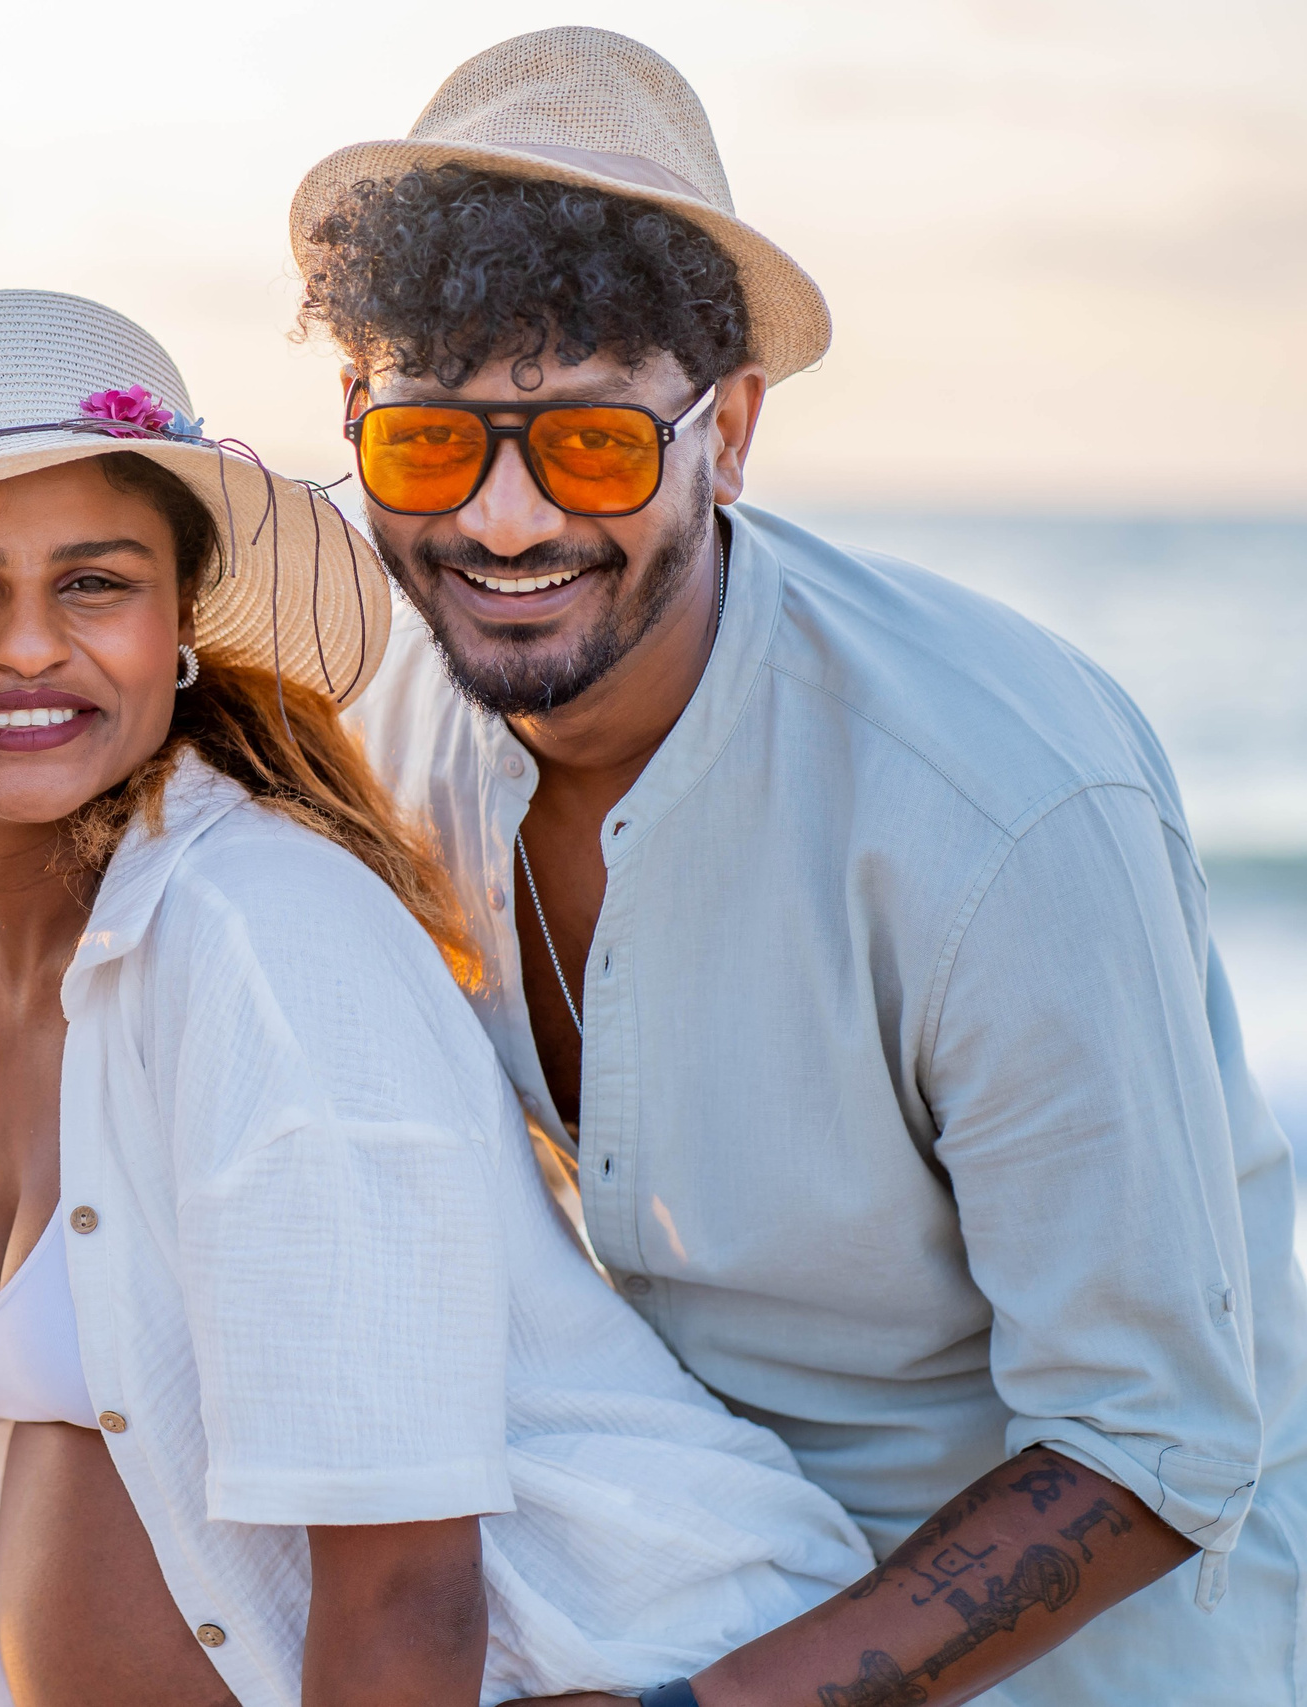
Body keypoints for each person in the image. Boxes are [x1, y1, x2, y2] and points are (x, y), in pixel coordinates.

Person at [295, 27, 1305, 1707]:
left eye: (596, 445)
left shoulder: (998, 801)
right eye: (430, 444)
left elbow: (1151, 1440)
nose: (505, 522)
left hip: (1084, 1663)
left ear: (732, 428)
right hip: (662, 1594)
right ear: (356, 425)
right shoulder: (373, 726)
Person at [0, 288, 872, 1707]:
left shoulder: (263, 934)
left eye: (94, 583)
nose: (24, 647)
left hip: (618, 1668)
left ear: (178, 620)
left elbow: (407, 1592)